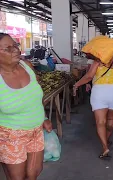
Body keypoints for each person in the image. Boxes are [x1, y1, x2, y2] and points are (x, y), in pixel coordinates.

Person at [0, 33, 52, 180]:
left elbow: (35, 97)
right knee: (18, 178)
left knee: (34, 172)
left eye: (15, 45)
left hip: (36, 130)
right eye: (8, 48)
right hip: (11, 136)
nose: (16, 50)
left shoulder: (27, 66)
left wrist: (44, 117)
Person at [73, 42, 113, 159]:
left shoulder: (98, 61)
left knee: (100, 122)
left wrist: (77, 84)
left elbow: (89, 77)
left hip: (99, 92)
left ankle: (105, 147)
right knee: (111, 118)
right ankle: (107, 138)